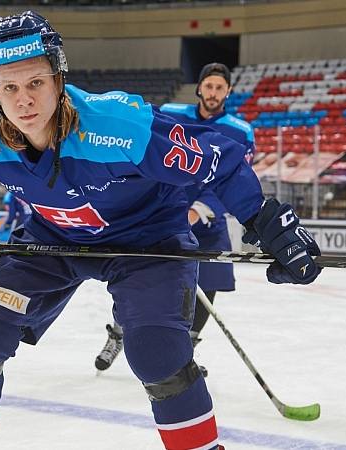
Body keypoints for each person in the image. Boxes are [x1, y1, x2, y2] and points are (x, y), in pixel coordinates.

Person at [0, 11, 321, 450]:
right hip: (53, 239)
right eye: (8, 87)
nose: (24, 101)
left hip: (148, 241)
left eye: (35, 83)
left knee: (156, 351)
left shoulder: (117, 127)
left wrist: (266, 220)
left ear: (58, 77)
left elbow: (218, 159)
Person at [94, 63, 257, 376]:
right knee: (139, 276)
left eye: (219, 88)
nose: (213, 93)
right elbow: (148, 151)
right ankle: (118, 334)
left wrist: (199, 209)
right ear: (199, 88)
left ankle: (185, 352)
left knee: (209, 282)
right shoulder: (170, 112)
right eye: (208, 86)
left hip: (208, 221)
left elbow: (236, 177)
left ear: (228, 92)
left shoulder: (240, 130)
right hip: (162, 213)